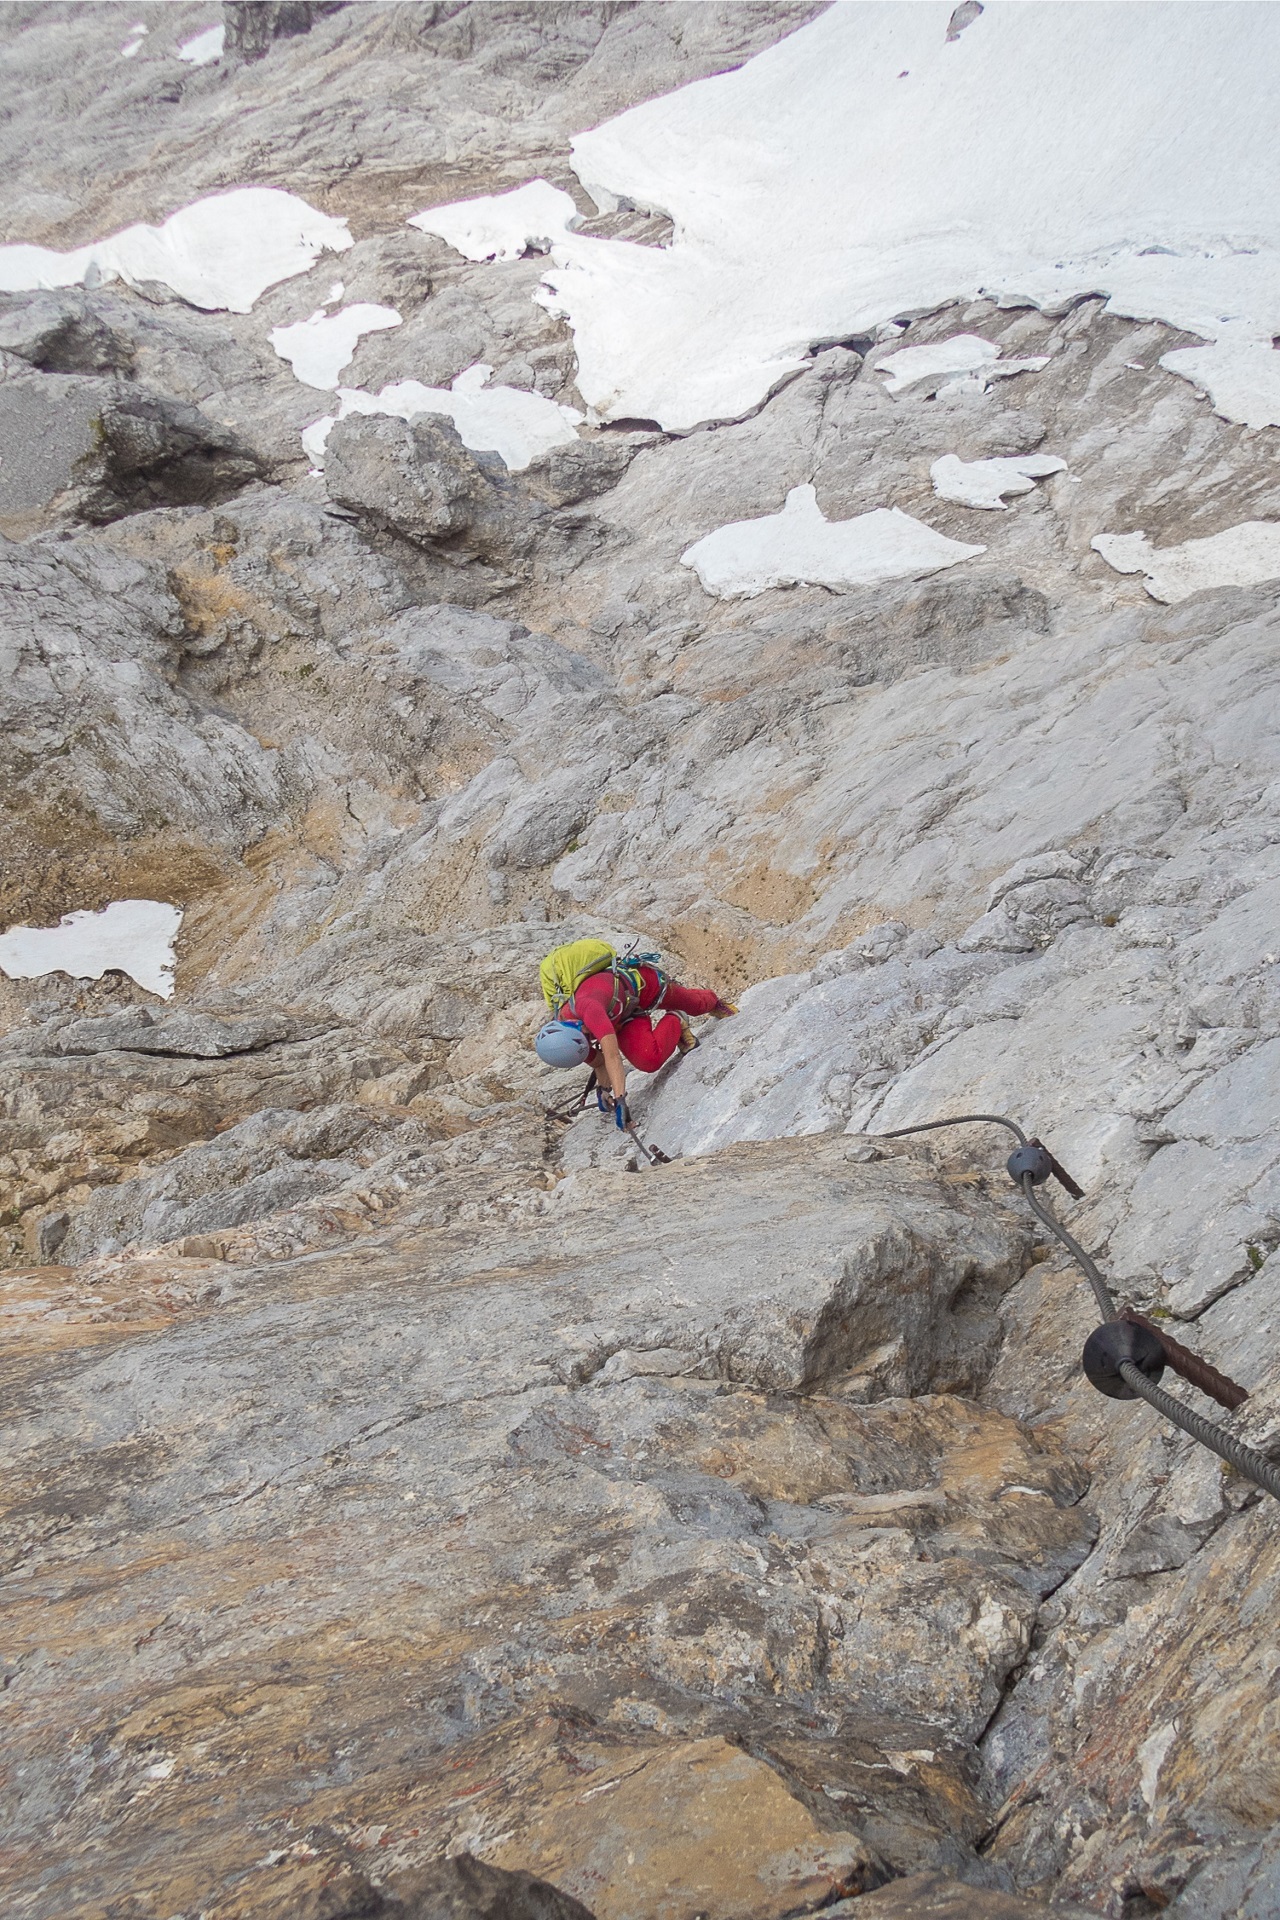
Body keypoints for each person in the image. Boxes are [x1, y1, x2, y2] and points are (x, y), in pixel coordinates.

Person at [535, 948, 736, 1127]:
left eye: (586, 1036)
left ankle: (713, 1001)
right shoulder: (568, 1043)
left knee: (695, 1004)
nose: (589, 1038)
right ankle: (676, 1020)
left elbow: (612, 1056)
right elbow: (600, 1062)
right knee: (649, 1060)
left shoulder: (589, 1009)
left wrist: (621, 1099)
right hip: (621, 1016)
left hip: (644, 986)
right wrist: (604, 1090)